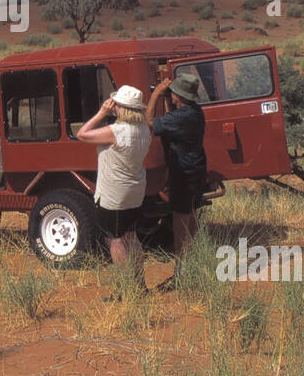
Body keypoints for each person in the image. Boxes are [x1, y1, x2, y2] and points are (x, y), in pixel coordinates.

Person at [77, 85, 152, 288]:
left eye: (116, 105)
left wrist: (101, 113)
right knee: (131, 235)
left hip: (114, 194)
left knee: (115, 239)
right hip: (135, 190)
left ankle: (126, 287)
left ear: (121, 107)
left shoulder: (117, 131)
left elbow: (82, 134)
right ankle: (139, 283)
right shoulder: (143, 129)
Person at [147, 73, 207, 286]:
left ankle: (182, 273)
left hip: (184, 173)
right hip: (196, 170)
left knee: (180, 223)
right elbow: (173, 119)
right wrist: (167, 98)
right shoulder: (195, 112)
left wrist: (155, 95)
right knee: (190, 219)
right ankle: (195, 265)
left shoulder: (182, 117)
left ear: (178, 96)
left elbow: (149, 124)